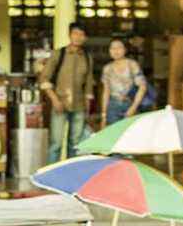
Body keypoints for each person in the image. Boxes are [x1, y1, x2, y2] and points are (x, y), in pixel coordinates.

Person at [40, 22, 95, 162]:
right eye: (75, 33)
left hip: (79, 106)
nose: (78, 37)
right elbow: (44, 78)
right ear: (70, 35)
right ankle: (51, 175)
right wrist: (55, 100)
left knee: (75, 144)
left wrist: (88, 107)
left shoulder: (87, 57)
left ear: (85, 38)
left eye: (81, 34)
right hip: (59, 103)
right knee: (56, 143)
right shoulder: (59, 53)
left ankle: (70, 175)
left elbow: (89, 83)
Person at [99, 37, 148, 128]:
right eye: (112, 48)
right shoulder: (107, 69)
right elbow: (106, 92)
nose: (116, 51)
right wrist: (104, 115)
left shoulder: (132, 65)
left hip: (129, 103)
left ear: (125, 50)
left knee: (130, 136)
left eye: (119, 47)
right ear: (109, 51)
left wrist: (134, 107)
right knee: (113, 136)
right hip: (113, 106)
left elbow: (142, 86)